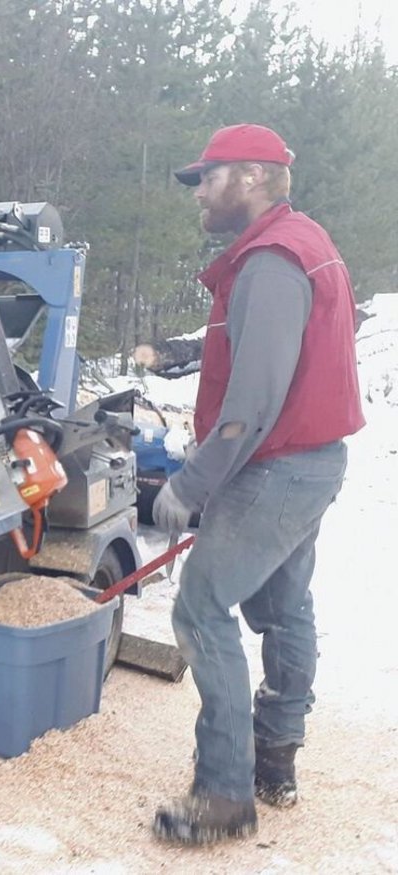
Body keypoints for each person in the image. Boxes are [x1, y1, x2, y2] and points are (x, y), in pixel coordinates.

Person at [150, 123, 364, 844]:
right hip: (309, 461)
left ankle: (222, 797)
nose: (200, 195)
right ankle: (276, 760)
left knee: (202, 608)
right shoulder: (305, 241)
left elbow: (253, 404)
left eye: (207, 179)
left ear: (249, 177)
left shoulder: (272, 262)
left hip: (276, 468)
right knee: (281, 603)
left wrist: (191, 484)